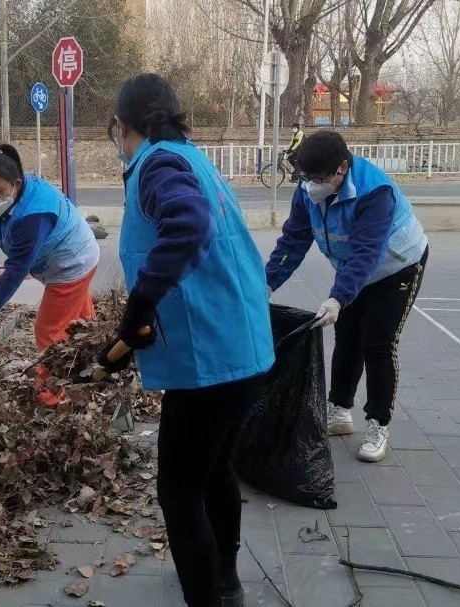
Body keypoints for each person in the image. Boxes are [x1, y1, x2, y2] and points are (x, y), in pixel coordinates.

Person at [99, 74, 274, 607]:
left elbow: (187, 222)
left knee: (177, 491)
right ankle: (226, 581)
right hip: (244, 350)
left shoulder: (158, 165)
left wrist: (137, 311)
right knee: (214, 468)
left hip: (211, 362)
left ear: (122, 127)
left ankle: (210, 596)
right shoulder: (194, 158)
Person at [266, 130, 428, 463]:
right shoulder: (308, 187)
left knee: (378, 344)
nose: (310, 185)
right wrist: (264, 286)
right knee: (347, 335)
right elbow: (293, 241)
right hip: (352, 267)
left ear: (342, 168)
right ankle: (339, 410)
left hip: (396, 266)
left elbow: (367, 253)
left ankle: (379, 423)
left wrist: (338, 297)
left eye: (318, 178)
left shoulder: (374, 192)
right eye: (305, 177)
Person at [0, 144, 100, 403]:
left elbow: (18, 266)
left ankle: (51, 396)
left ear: (16, 185)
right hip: (59, 262)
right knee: (81, 324)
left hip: (72, 264)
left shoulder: (35, 212)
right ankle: (91, 368)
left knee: (48, 329)